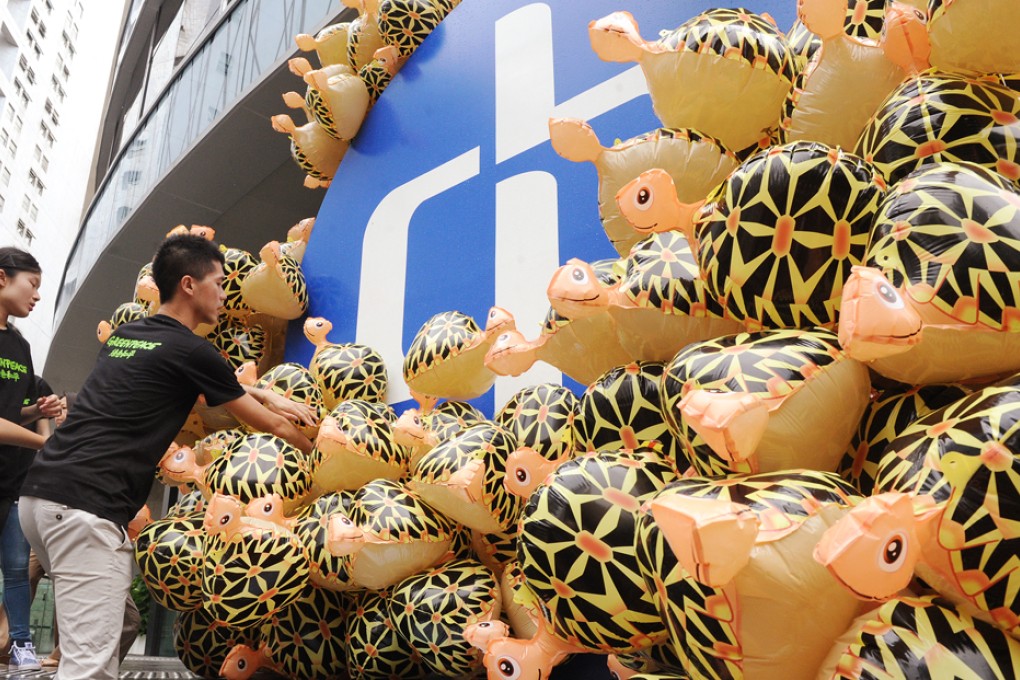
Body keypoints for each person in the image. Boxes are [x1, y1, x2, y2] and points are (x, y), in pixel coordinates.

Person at [19, 235, 315, 679]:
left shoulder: (127, 337)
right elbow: (273, 427)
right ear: (190, 285)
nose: (225, 291)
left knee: (108, 630)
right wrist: (321, 448)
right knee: (89, 667)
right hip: (87, 507)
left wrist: (263, 392)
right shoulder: (191, 349)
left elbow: (189, 382)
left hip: (42, 499)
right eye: (219, 282)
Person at [0, 250, 63, 671]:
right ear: (2, 278)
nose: (37, 295)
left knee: (17, 569)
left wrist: (39, 409)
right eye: (32, 284)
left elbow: (11, 412)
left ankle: (21, 645)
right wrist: (46, 447)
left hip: (12, 482)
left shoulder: (20, 346)